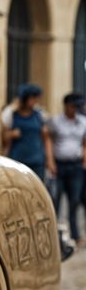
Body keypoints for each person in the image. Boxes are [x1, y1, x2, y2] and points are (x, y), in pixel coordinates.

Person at [51, 92, 86, 245]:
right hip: (59, 165)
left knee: (74, 201)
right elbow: (48, 141)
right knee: (56, 199)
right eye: (73, 106)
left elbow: (84, 143)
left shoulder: (83, 122)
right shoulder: (56, 121)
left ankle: (75, 235)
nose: (76, 109)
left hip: (76, 165)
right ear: (66, 106)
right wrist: (50, 162)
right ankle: (54, 236)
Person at [2, 83, 53, 183]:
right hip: (17, 162)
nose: (36, 101)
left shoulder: (40, 115)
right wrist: (12, 134)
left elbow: (46, 139)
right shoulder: (11, 114)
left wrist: (50, 160)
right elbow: (4, 138)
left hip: (37, 162)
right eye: (33, 98)